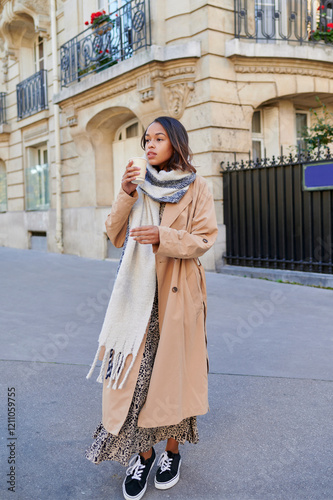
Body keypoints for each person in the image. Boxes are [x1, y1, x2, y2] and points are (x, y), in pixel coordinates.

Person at [85, 116, 218, 500]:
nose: (149, 144)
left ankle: (171, 454)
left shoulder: (198, 186)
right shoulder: (139, 183)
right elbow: (114, 233)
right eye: (146, 139)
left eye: (158, 138)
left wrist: (164, 236)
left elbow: (204, 238)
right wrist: (125, 192)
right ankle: (143, 455)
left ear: (175, 142)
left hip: (177, 297)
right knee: (134, 383)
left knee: (173, 380)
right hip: (136, 300)